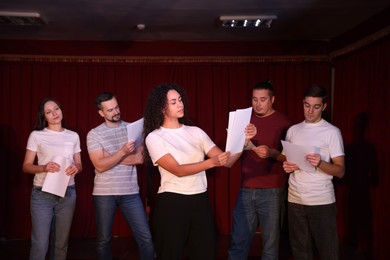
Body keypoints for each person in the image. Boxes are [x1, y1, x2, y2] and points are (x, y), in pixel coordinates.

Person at [142, 83, 256, 260]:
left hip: (200, 200)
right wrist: (211, 162)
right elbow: (177, 170)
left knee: (205, 252)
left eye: (180, 100)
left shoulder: (195, 132)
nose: (180, 104)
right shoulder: (155, 137)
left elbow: (227, 161)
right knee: (170, 254)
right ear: (162, 108)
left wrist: (242, 140)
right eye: (173, 102)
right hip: (172, 202)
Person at [228, 80, 292, 260]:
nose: (258, 104)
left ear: (272, 99)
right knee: (238, 242)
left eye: (263, 99)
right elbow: (231, 151)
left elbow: (291, 158)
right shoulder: (245, 120)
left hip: (272, 191)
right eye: (254, 99)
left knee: (270, 247)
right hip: (246, 189)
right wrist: (240, 142)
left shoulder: (284, 123)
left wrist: (271, 152)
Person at [86, 92, 155, 260]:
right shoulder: (94, 134)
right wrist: (123, 152)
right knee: (104, 240)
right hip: (104, 194)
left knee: (145, 237)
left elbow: (140, 158)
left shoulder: (133, 128)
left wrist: (111, 157)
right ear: (101, 113)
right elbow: (100, 166)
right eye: (110, 110)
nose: (115, 112)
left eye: (116, 107)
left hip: (130, 192)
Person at [282, 84, 345, 260]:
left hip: (321, 201)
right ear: (302, 103)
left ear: (324, 107)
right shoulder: (293, 130)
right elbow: (286, 159)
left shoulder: (332, 132)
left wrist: (321, 163)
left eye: (316, 106)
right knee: (300, 252)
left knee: (328, 252)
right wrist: (288, 166)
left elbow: (340, 171)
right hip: (295, 200)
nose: (310, 111)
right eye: (306, 105)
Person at [22, 97, 82, 260]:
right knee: (40, 244)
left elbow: (79, 164)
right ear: (44, 117)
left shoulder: (73, 136)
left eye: (56, 109)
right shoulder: (37, 135)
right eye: (49, 112)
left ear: (61, 110)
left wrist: (76, 167)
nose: (54, 113)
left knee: (61, 243)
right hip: (42, 193)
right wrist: (44, 167)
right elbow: (26, 166)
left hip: (67, 192)